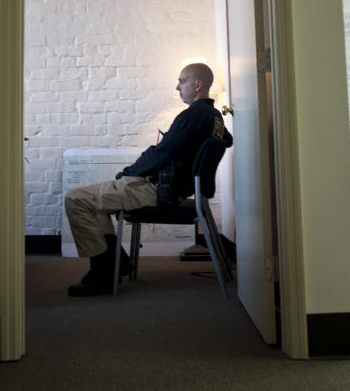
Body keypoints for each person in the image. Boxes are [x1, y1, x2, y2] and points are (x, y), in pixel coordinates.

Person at [63, 62, 233, 297]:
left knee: (76, 198)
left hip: (154, 189)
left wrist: (128, 173)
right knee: (98, 204)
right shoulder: (214, 117)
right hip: (173, 189)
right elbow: (228, 139)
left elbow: (162, 152)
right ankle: (115, 264)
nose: (177, 87)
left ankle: (102, 275)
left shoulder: (194, 114)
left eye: (182, 81)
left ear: (198, 84)